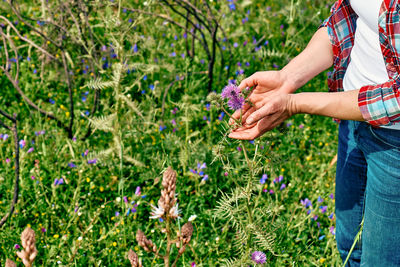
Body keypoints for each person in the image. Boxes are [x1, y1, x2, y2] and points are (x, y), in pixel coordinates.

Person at [228, 0, 400, 266]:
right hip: (353, 120)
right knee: (349, 248)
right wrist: (287, 78)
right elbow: (347, 16)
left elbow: (397, 99)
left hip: (394, 145)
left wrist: (295, 103)